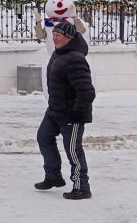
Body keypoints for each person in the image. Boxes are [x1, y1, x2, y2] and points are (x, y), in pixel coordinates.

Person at [35, 20, 96, 200]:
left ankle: (81, 187)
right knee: (44, 137)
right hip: (55, 110)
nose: (54, 38)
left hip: (71, 114)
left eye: (58, 35)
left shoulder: (75, 58)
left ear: (68, 37)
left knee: (73, 150)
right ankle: (53, 176)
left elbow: (87, 92)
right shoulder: (58, 53)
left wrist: (76, 114)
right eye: (53, 35)